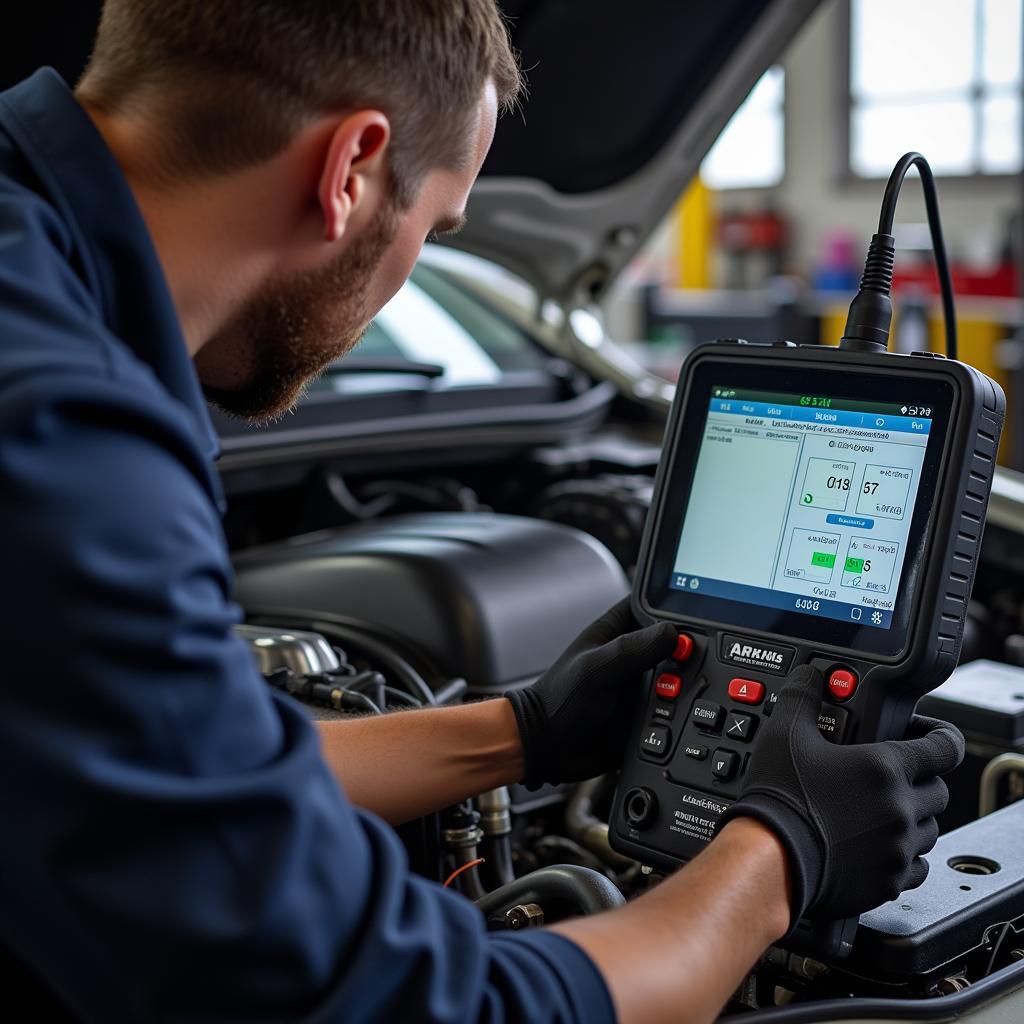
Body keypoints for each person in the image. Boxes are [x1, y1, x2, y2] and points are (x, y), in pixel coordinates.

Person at [0, 3, 964, 1022]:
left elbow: (177, 776)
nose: (415, 259)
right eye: (436, 225)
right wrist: (778, 858)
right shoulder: (66, 436)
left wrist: (520, 730)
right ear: (352, 170)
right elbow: (406, 1004)